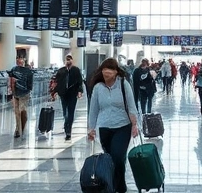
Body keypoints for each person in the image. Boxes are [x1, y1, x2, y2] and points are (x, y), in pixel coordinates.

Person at [86, 58, 140, 193]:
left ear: (116, 72)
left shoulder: (123, 84)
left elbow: (131, 105)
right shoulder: (98, 88)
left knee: (118, 157)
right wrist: (91, 128)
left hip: (122, 126)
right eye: (104, 70)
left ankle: (120, 187)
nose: (106, 73)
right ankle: (111, 186)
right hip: (104, 127)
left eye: (109, 70)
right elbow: (93, 109)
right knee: (109, 160)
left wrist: (134, 124)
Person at [53, 54, 84, 141]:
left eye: (70, 59)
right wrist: (54, 92)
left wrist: (80, 91)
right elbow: (57, 82)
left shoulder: (76, 70)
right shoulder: (61, 71)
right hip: (63, 94)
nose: (68, 61)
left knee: (70, 112)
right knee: (64, 112)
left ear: (72, 60)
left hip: (72, 93)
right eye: (67, 59)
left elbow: (79, 81)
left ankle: (68, 130)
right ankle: (67, 123)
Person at [9, 57, 34, 138]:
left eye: (21, 61)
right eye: (19, 61)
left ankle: (21, 128)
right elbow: (10, 79)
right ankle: (18, 129)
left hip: (24, 94)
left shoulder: (28, 72)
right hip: (16, 93)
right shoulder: (14, 69)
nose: (20, 63)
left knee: (21, 110)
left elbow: (30, 85)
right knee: (17, 112)